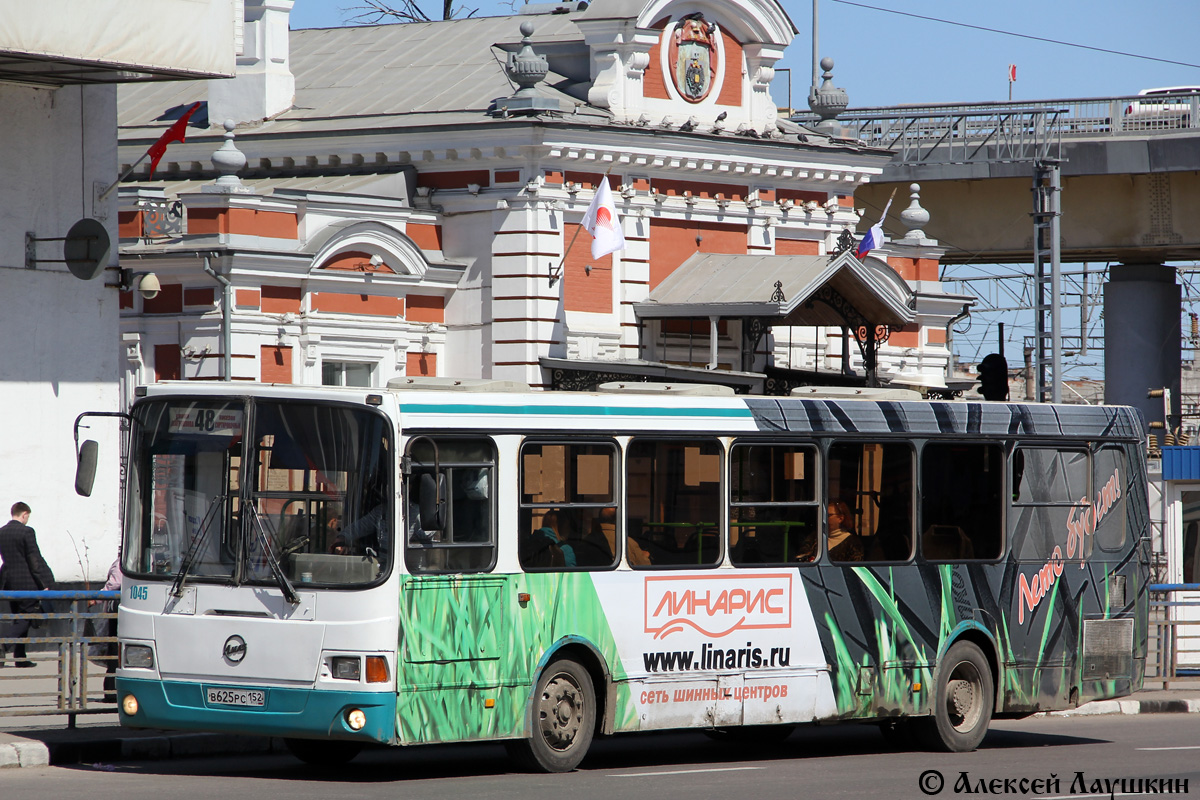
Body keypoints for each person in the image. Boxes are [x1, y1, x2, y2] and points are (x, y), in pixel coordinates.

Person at [0, 502, 55, 668]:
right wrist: (44, 583)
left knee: (18, 615)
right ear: (24, 514)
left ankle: (20, 656)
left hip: (9, 581)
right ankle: (3, 645)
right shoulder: (27, 532)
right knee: (27, 615)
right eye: (27, 516)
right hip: (27, 581)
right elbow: (34, 559)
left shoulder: (2, 532)